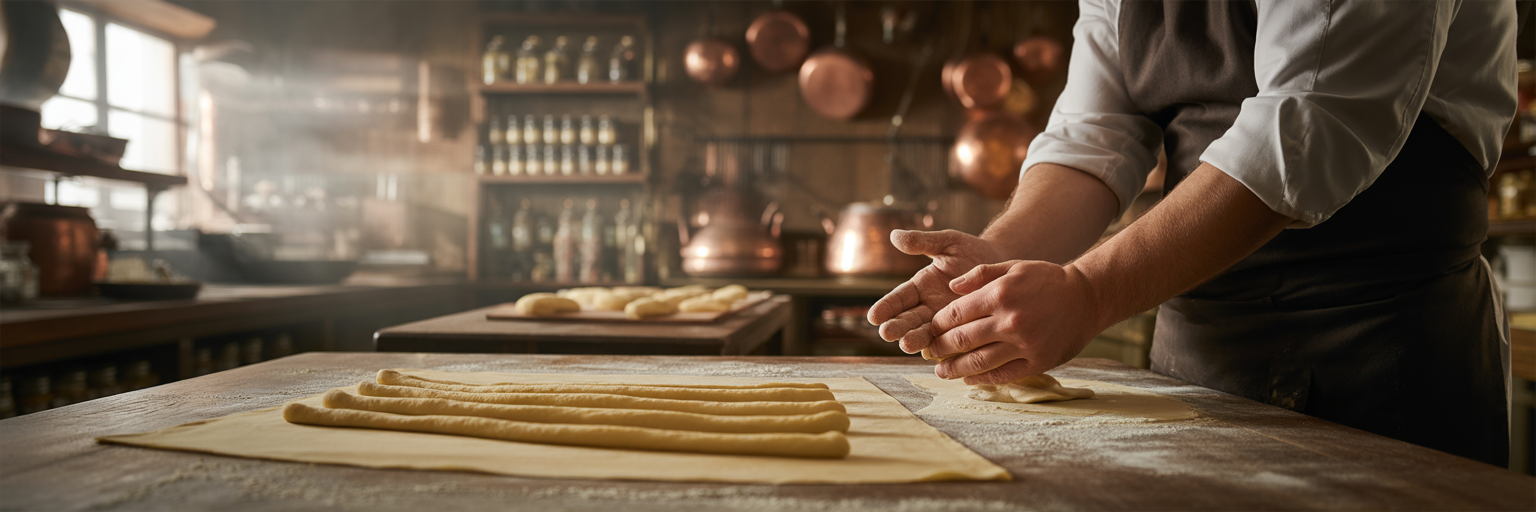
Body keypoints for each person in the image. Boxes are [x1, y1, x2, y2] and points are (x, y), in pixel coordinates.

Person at [869, 0, 1519, 467]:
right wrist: (1003, 255)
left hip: (1377, 347)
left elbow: (1308, 125)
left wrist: (1089, 294)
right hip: (1199, 347)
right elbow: (1094, 135)